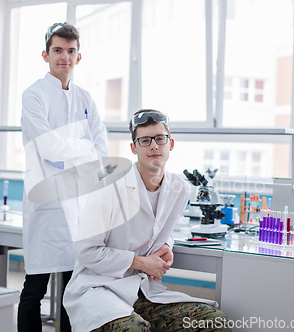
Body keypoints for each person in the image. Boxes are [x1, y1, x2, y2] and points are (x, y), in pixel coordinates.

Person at [63, 110, 232, 331]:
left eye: (160, 139)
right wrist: (141, 262)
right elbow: (87, 251)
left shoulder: (179, 188)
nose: (154, 146)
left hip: (142, 289)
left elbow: (161, 230)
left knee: (215, 322)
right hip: (99, 289)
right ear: (134, 148)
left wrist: (166, 246)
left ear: (170, 144)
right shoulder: (109, 187)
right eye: (145, 140)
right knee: (136, 329)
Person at [19, 22, 109, 332]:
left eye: (71, 51)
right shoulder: (33, 95)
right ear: (45, 54)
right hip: (46, 204)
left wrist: (74, 151)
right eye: (58, 50)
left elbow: (101, 153)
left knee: (75, 290)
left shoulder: (86, 100)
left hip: (79, 206)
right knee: (35, 289)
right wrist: (81, 150)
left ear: (78, 57)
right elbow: (48, 147)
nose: (64, 57)